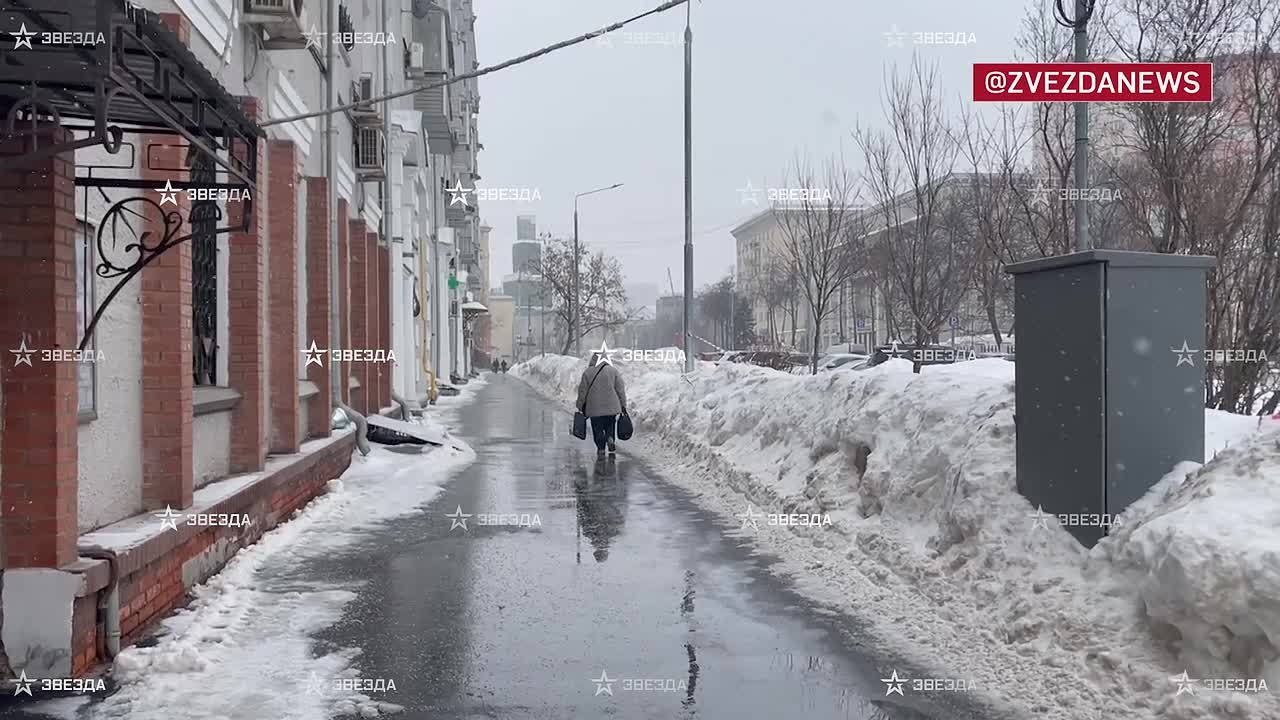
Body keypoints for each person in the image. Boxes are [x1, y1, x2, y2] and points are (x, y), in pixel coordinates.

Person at [576, 352, 627, 457]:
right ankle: (610, 438)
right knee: (610, 424)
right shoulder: (613, 371)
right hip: (612, 406)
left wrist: (580, 405)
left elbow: (582, 391)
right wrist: (623, 404)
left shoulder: (587, 373)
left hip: (594, 407)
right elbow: (620, 389)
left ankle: (601, 448)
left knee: (597, 428)